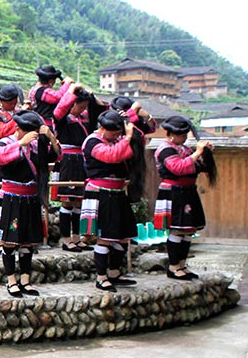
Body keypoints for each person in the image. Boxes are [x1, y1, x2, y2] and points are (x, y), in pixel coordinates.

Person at [0, 111, 61, 297]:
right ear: (19, 129)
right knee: (9, 242)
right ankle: (11, 280)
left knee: (28, 243)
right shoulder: (5, 143)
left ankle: (26, 280)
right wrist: (21, 143)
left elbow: (56, 155)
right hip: (12, 197)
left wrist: (50, 136)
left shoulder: (37, 146)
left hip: (31, 198)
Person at [80, 110, 140, 292]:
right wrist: (127, 139)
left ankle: (114, 273)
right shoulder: (92, 142)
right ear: (103, 128)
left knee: (122, 237)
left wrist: (129, 129)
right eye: (114, 133)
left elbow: (128, 151)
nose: (117, 136)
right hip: (101, 192)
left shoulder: (116, 140)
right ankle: (101, 277)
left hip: (118, 192)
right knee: (105, 237)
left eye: (118, 133)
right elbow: (112, 156)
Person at [154, 115, 216, 280]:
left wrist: (206, 153)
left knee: (188, 230)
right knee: (177, 229)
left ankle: (182, 264)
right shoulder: (165, 149)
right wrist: (197, 153)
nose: (185, 137)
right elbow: (178, 168)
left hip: (187, 191)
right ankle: (173, 267)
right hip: (174, 191)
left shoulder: (185, 149)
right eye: (182, 134)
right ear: (172, 134)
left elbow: (199, 167)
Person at [52, 84, 105, 252]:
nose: (82, 109)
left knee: (78, 201)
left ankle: (77, 237)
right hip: (67, 160)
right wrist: (72, 92)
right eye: (80, 106)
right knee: (67, 200)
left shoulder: (85, 119)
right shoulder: (62, 119)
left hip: (81, 160)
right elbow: (60, 109)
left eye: (84, 107)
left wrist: (90, 93)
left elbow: (100, 109)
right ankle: (66, 239)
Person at [0, 85, 25, 206]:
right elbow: (1, 131)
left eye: (14, 100)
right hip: (2, 155)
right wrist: (20, 116)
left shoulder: (20, 111)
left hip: (19, 154)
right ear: (2, 101)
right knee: (0, 194)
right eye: (9, 101)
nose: (13, 104)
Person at [29, 65, 73, 131]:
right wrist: (66, 84)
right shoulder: (40, 91)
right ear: (51, 81)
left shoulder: (34, 89)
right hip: (44, 125)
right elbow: (57, 97)